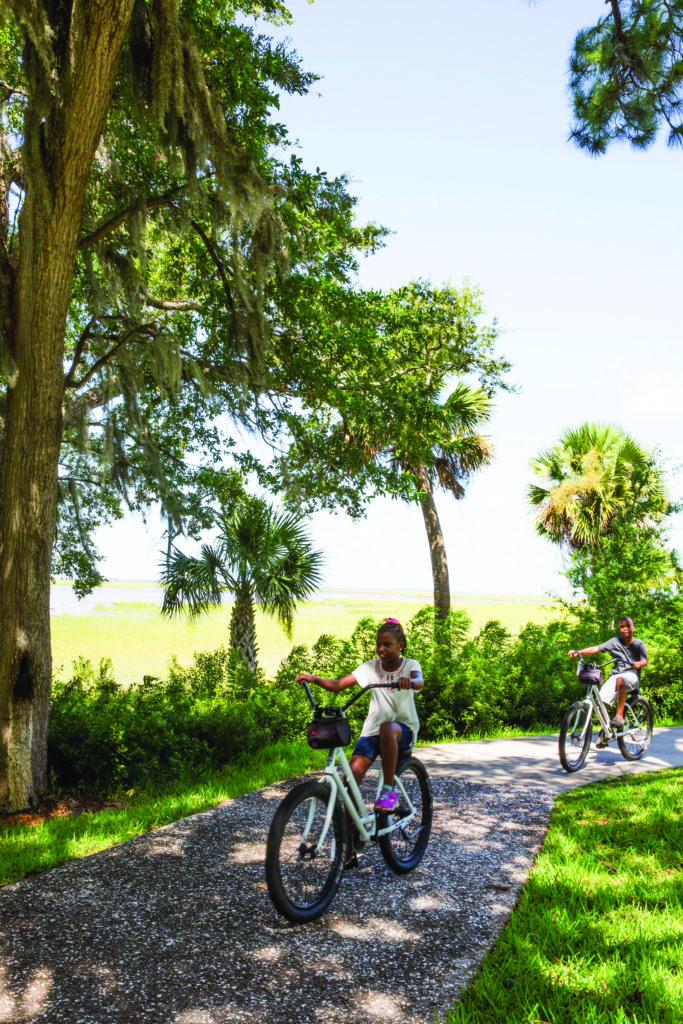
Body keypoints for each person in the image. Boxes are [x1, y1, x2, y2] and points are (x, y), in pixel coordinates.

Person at [296, 617, 423, 868]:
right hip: (373, 732)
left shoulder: (410, 665)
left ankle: (388, 793)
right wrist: (314, 678)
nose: (381, 649)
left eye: (387, 644)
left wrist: (411, 682)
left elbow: (419, 681)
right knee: (350, 778)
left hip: (402, 730)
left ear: (401, 645)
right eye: (378, 644)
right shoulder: (370, 668)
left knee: (389, 728)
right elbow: (337, 686)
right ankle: (349, 843)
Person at [568, 616, 647, 746]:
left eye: (627, 625)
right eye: (621, 626)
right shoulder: (614, 642)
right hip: (615, 676)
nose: (624, 628)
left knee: (621, 680)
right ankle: (606, 733)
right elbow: (596, 648)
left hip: (632, 675)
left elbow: (644, 660)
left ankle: (619, 717)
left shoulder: (639, 644)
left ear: (633, 627)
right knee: (600, 702)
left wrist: (639, 663)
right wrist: (578, 652)